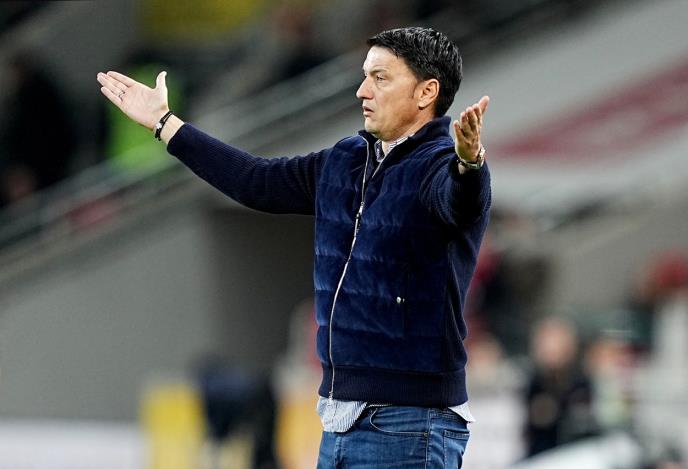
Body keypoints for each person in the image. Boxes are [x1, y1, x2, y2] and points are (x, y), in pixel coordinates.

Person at [97, 26, 492, 468]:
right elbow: (255, 181)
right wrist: (166, 125)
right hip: (340, 416)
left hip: (410, 422)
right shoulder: (346, 160)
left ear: (426, 93)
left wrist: (469, 163)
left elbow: (460, 199)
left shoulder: (442, 166)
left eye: (380, 78)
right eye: (365, 76)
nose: (362, 91)